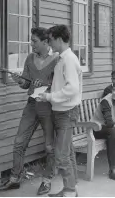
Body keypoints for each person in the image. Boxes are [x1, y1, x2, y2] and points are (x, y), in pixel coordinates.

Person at [0, 28, 59, 195]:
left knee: (50, 146)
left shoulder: (57, 59)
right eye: (31, 41)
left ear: (45, 42)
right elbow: (25, 84)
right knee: (19, 142)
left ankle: (47, 180)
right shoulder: (30, 59)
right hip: (32, 104)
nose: (31, 45)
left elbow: (60, 86)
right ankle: (15, 179)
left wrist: (47, 85)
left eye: (34, 41)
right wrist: (20, 81)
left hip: (48, 107)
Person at [39, 25, 82, 197]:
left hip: (66, 112)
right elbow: (63, 85)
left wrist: (49, 97)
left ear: (58, 39)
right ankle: (70, 188)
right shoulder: (61, 58)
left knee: (61, 155)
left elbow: (72, 89)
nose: (49, 44)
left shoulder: (69, 59)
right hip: (61, 111)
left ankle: (70, 191)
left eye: (50, 40)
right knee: (67, 152)